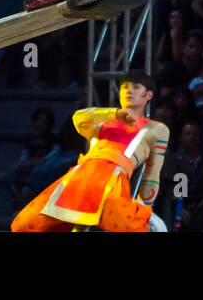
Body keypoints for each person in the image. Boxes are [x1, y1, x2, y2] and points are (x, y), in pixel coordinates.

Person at [11, 73, 169, 231]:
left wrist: (145, 208)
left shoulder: (156, 128)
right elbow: (78, 118)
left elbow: (152, 174)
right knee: (23, 224)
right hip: (80, 179)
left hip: (113, 182)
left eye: (136, 87)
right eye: (124, 87)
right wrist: (114, 113)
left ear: (148, 95)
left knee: (138, 228)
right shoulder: (103, 120)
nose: (129, 91)